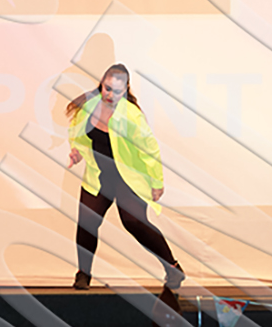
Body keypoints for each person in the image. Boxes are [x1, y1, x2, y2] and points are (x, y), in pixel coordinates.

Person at [66, 64, 185, 290]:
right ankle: (83, 274)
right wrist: (76, 151)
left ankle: (173, 268)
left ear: (126, 89)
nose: (110, 95)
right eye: (107, 88)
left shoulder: (131, 116)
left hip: (128, 178)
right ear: (102, 83)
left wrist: (157, 182)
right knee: (87, 222)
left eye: (117, 91)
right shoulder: (88, 107)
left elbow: (150, 150)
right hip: (99, 176)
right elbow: (77, 132)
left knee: (134, 222)